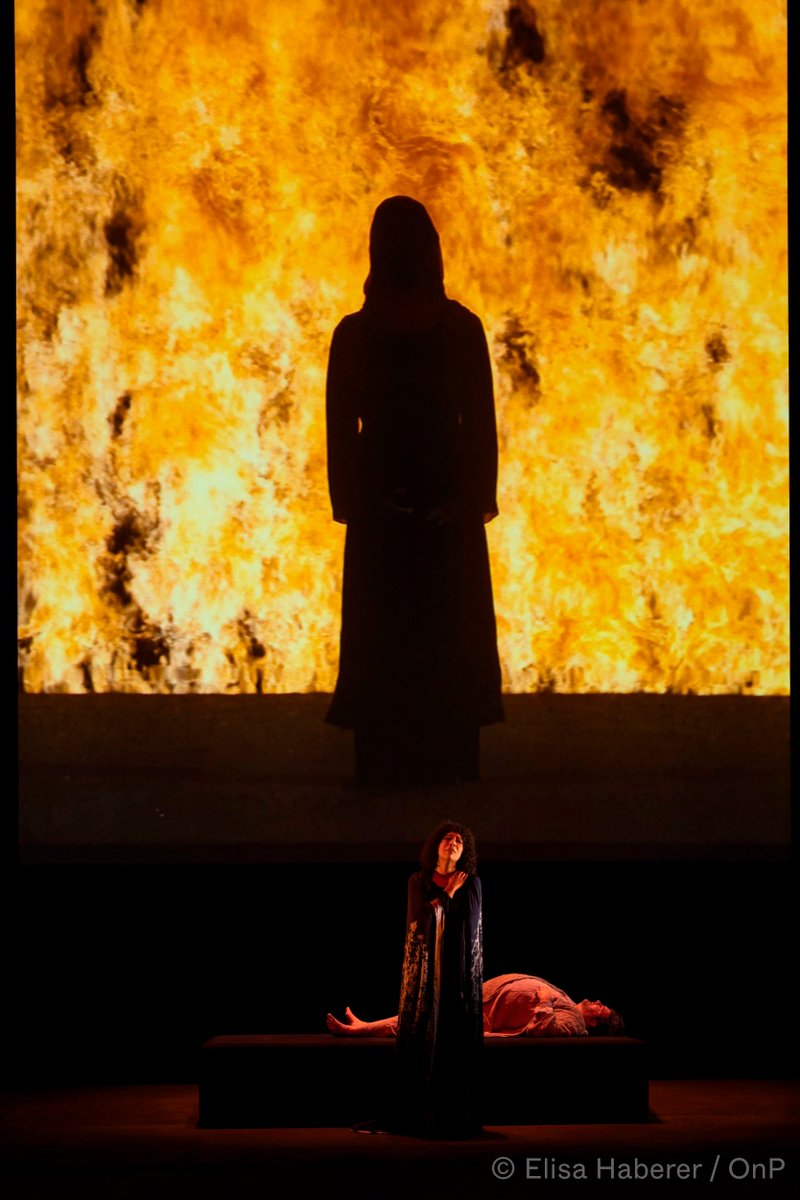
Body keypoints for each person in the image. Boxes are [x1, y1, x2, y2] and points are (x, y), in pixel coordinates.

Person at [325, 195, 503, 786]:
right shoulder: (458, 330)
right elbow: (479, 428)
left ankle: (390, 763)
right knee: (441, 635)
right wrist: (469, 498)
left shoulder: (359, 335)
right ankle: (442, 761)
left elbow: (342, 434)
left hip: (400, 507)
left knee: (395, 635)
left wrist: (364, 503)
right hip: (429, 508)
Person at [383, 820, 484, 1137]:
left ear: (464, 851)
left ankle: (455, 1116)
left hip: (456, 972)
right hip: (427, 972)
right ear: (436, 846)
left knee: (454, 1037)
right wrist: (447, 894)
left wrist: (443, 902)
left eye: (459, 840)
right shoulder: (419, 880)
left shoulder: (472, 882)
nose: (453, 842)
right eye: (447, 838)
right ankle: (418, 1115)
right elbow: (419, 919)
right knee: (424, 1031)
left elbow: (469, 924)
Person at [327, 973, 625, 1039]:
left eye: (602, 1009)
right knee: (425, 1013)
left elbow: (543, 1030)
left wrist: (545, 1000)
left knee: (427, 1018)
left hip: (486, 1016)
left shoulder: (576, 1024)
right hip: (485, 1002)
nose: (598, 1002)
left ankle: (361, 1030)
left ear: (594, 1023)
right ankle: (364, 1026)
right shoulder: (571, 1003)